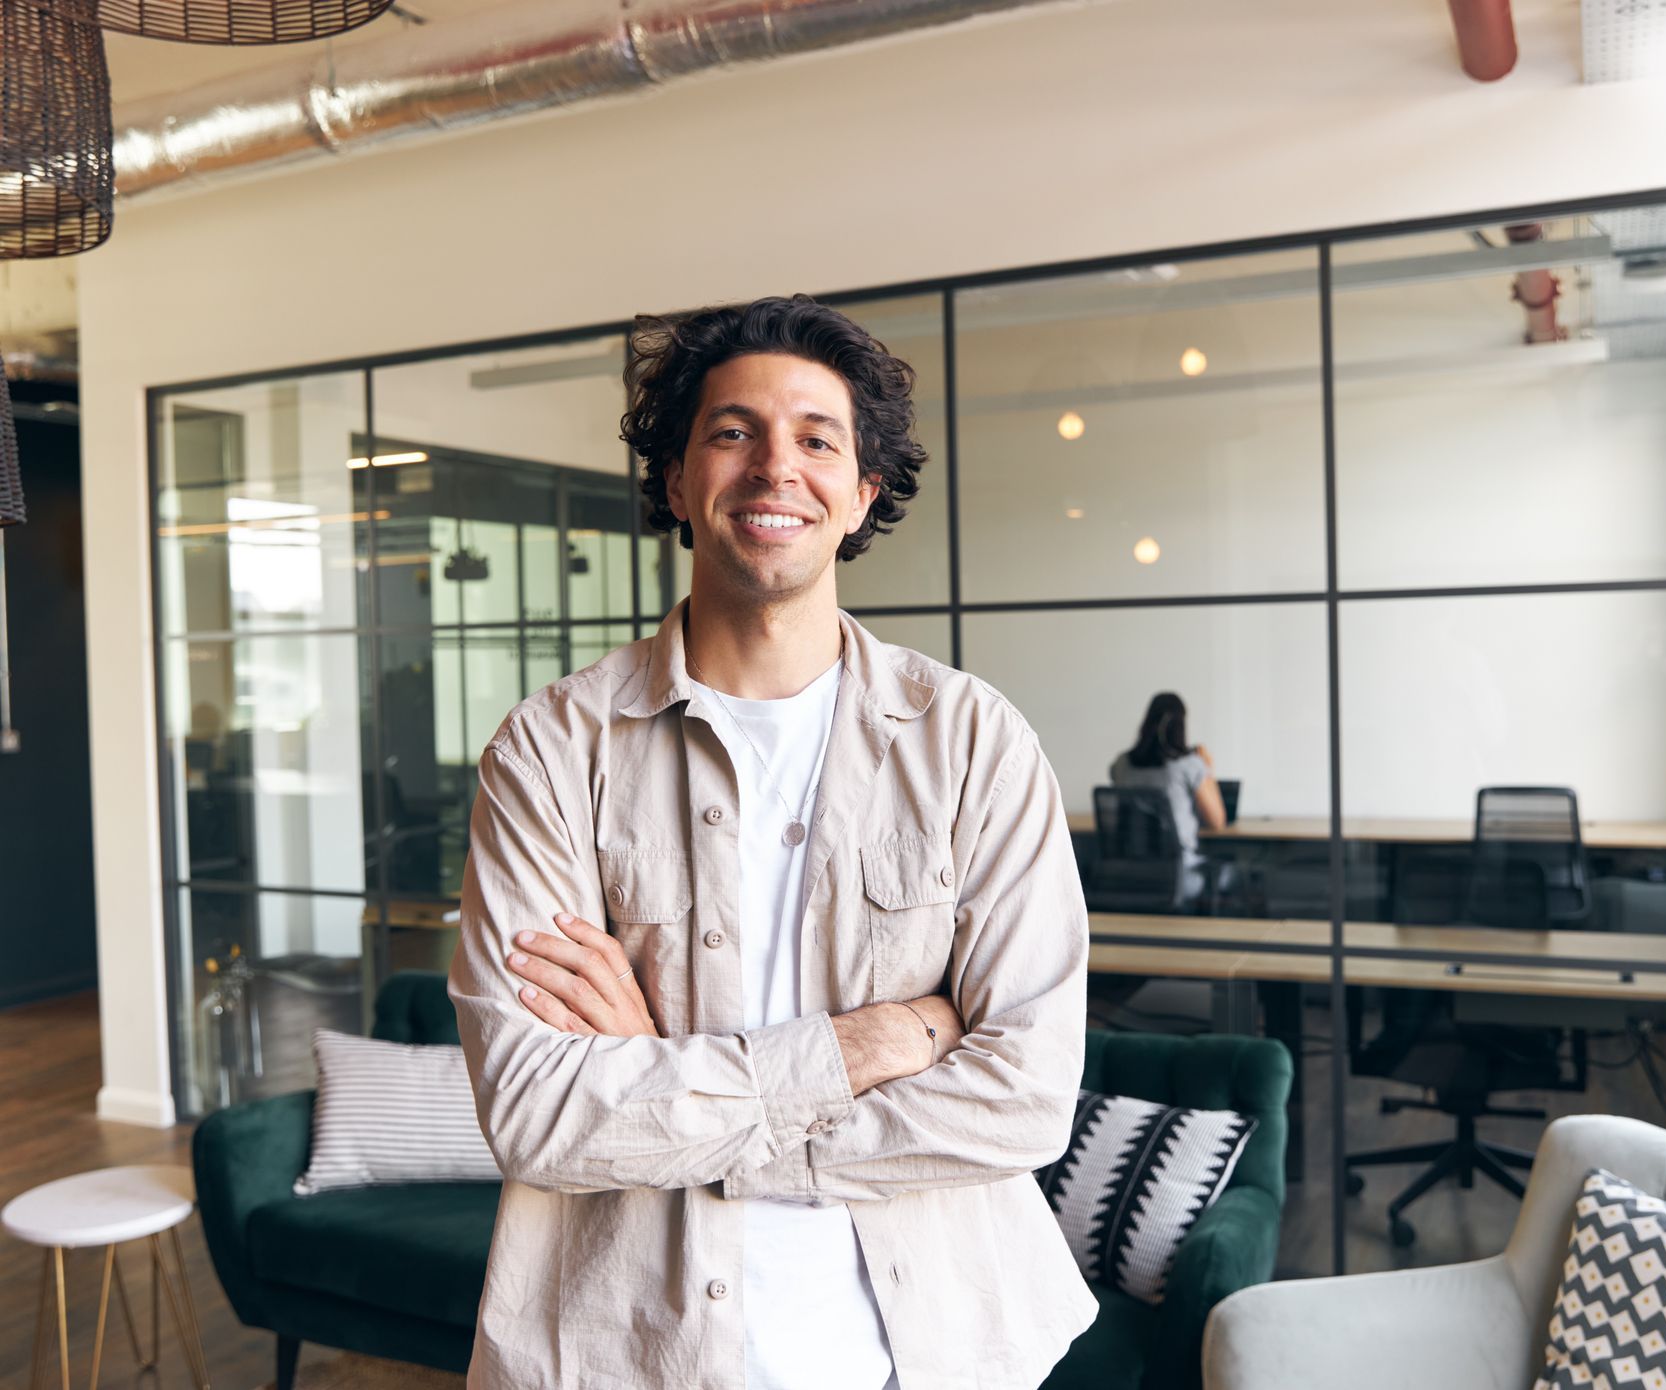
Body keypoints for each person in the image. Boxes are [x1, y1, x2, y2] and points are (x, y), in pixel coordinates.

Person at [449, 295, 1095, 1390]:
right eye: (733, 431)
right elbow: (537, 1112)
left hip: (932, 1351)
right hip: (625, 1356)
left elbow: (1028, 1092)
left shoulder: (973, 740)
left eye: (816, 439)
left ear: (861, 495)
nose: (773, 468)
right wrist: (864, 1045)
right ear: (675, 479)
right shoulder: (552, 749)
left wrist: (662, 1080)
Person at [1107, 691, 1231, 908]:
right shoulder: (1189, 765)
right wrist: (1207, 769)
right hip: (1178, 874)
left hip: (1130, 872)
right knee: (1234, 873)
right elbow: (1217, 821)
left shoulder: (1121, 765)